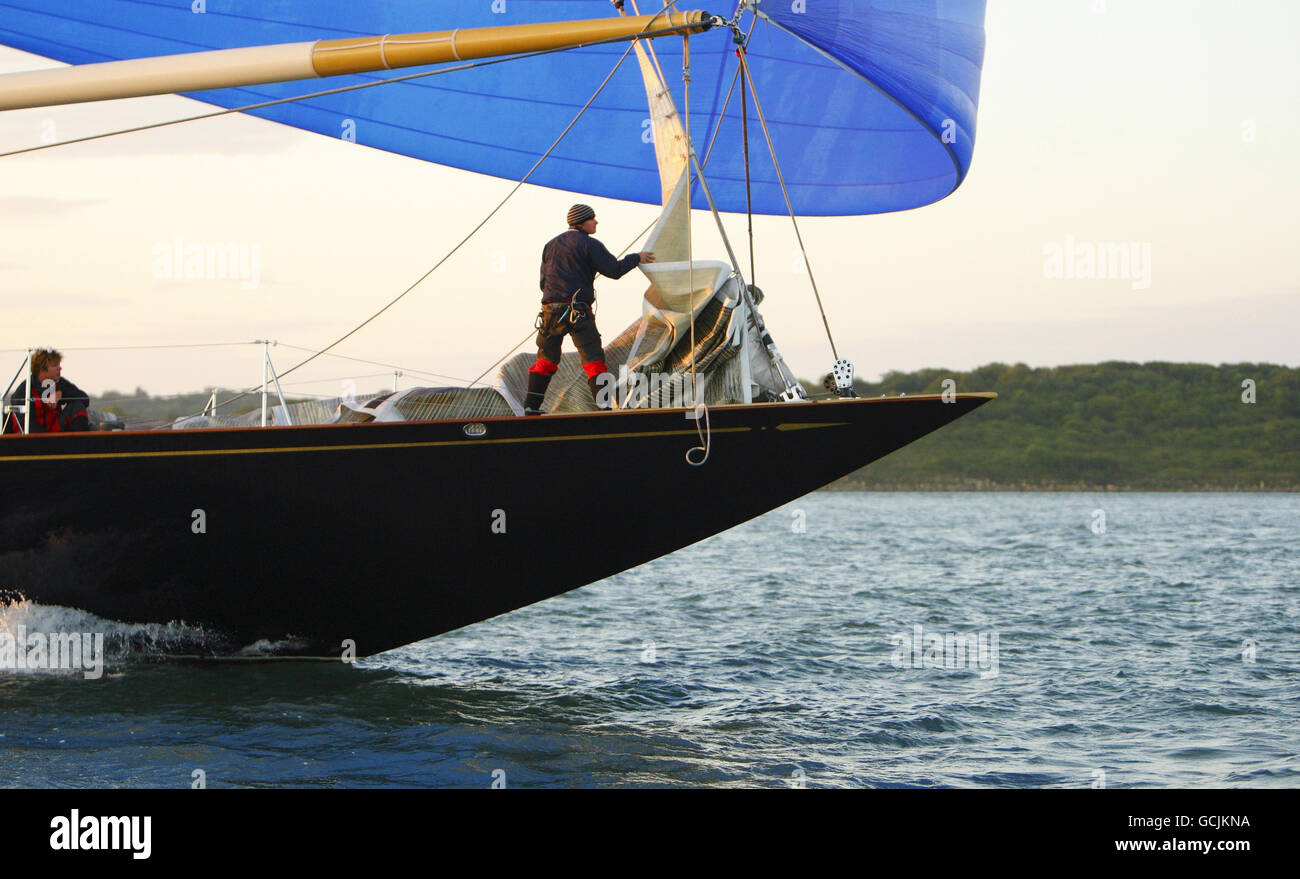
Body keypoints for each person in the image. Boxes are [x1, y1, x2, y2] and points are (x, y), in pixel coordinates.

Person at [523, 204, 655, 414]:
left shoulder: (550, 245)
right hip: (578, 311)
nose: (596, 222)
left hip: (550, 310)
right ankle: (603, 409)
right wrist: (636, 258)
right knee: (593, 359)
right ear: (583, 222)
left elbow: (543, 282)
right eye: (593, 219)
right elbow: (614, 270)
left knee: (545, 360)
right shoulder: (589, 244)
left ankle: (530, 408)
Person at [4, 348, 91, 433]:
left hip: (57, 434)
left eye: (59, 364)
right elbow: (28, 425)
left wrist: (61, 394)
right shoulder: (23, 391)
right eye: (55, 365)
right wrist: (49, 441)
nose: (60, 368)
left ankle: (80, 442)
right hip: (34, 439)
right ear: (42, 370)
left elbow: (85, 399)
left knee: (77, 406)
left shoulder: (61, 383)